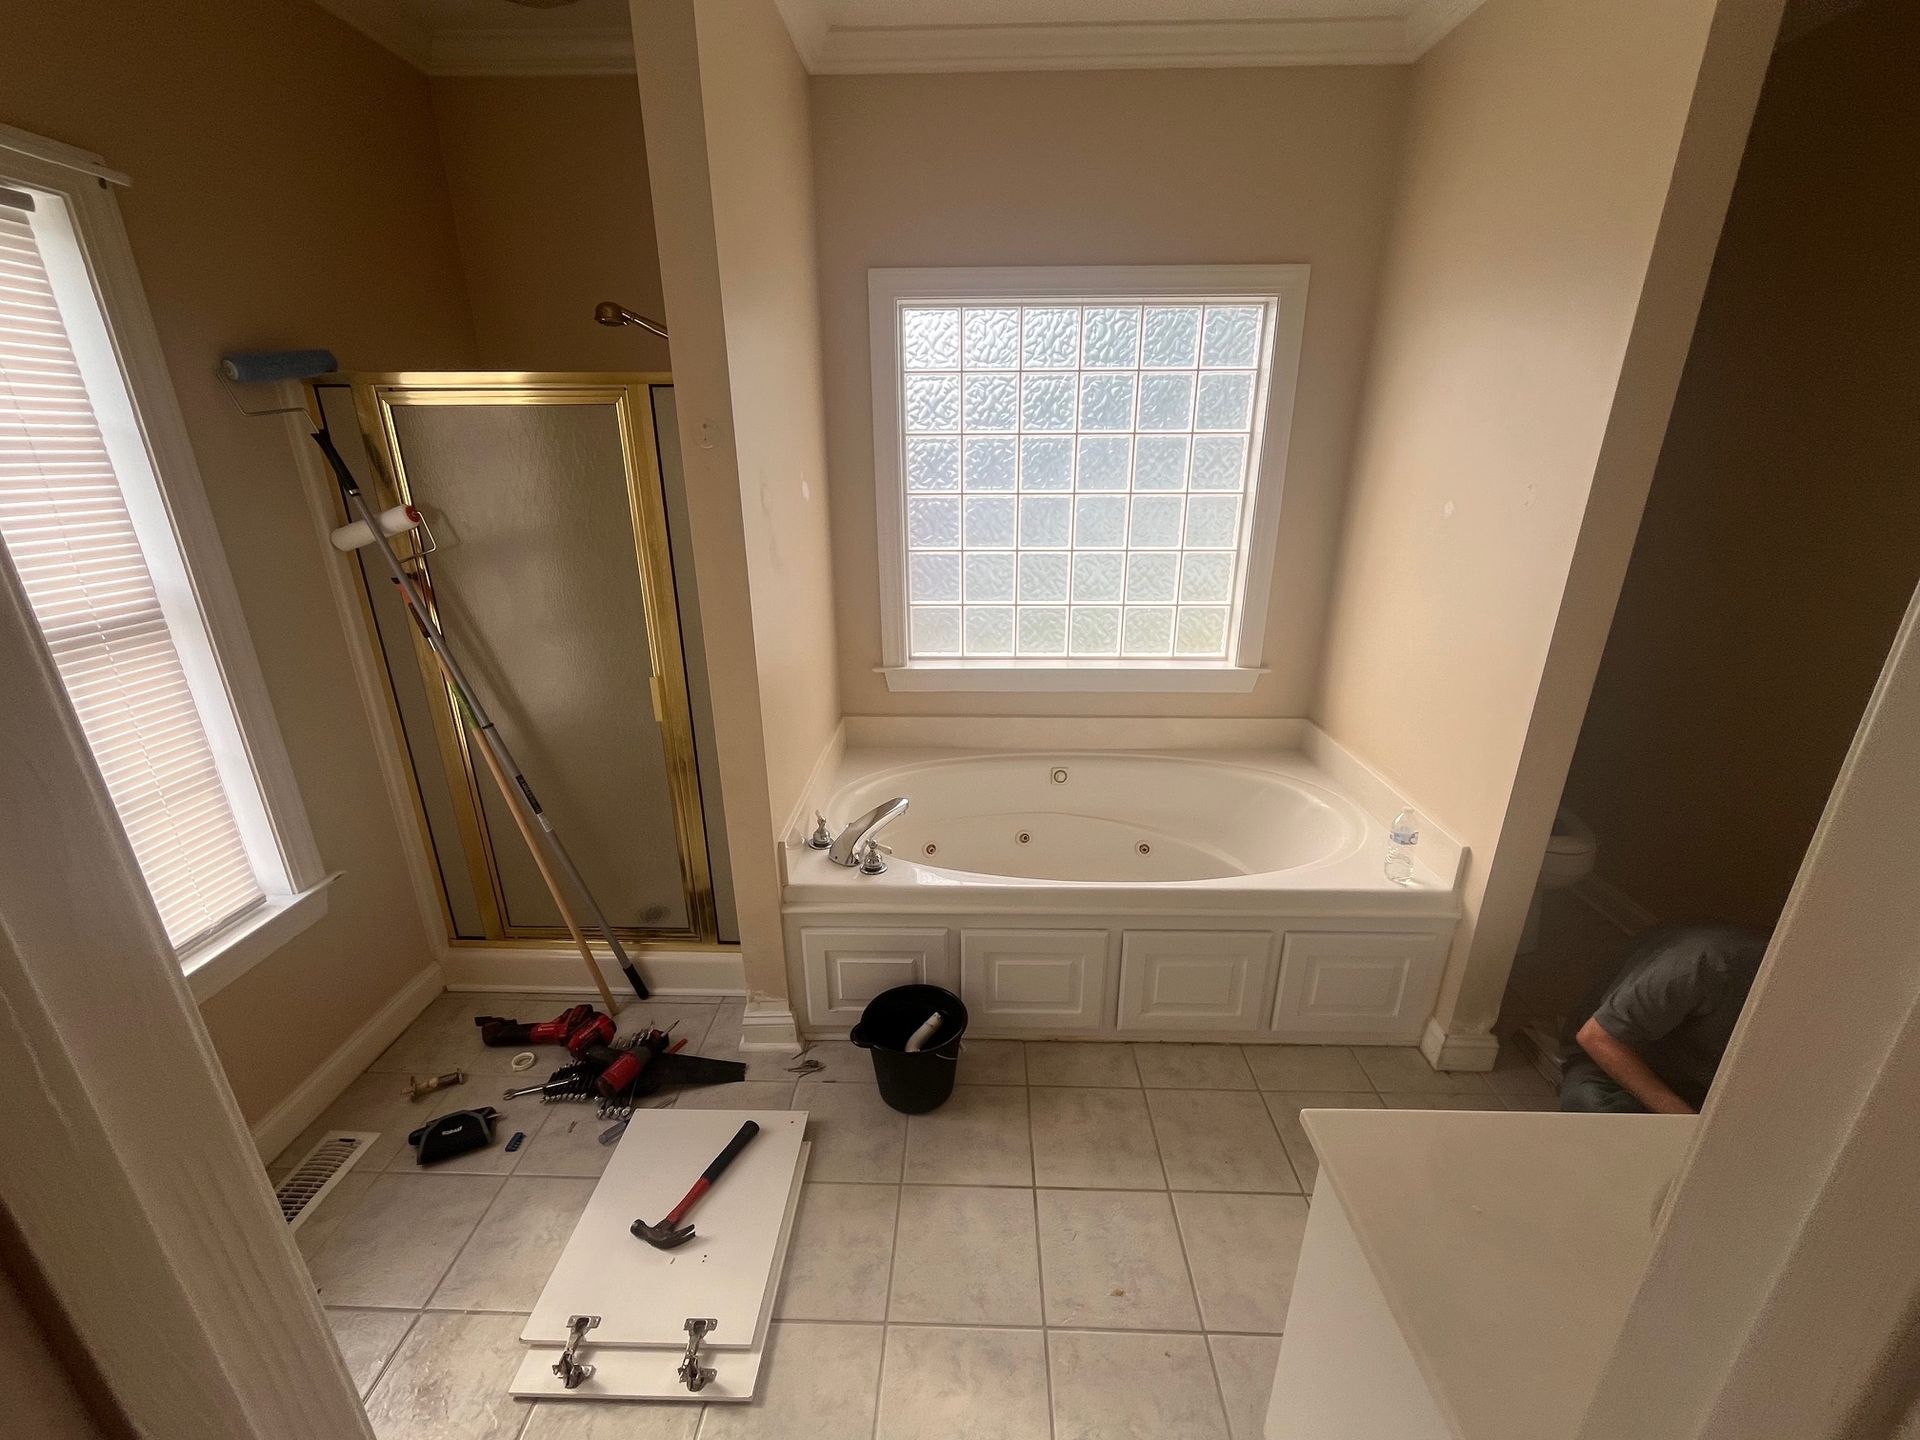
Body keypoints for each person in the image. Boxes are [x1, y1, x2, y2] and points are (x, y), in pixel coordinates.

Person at [1559, 923, 1769, 1114]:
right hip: (1614, 1061)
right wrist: (1684, 1121)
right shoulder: (1702, 964)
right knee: (1598, 1113)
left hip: (1699, 1083)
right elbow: (1596, 1037)